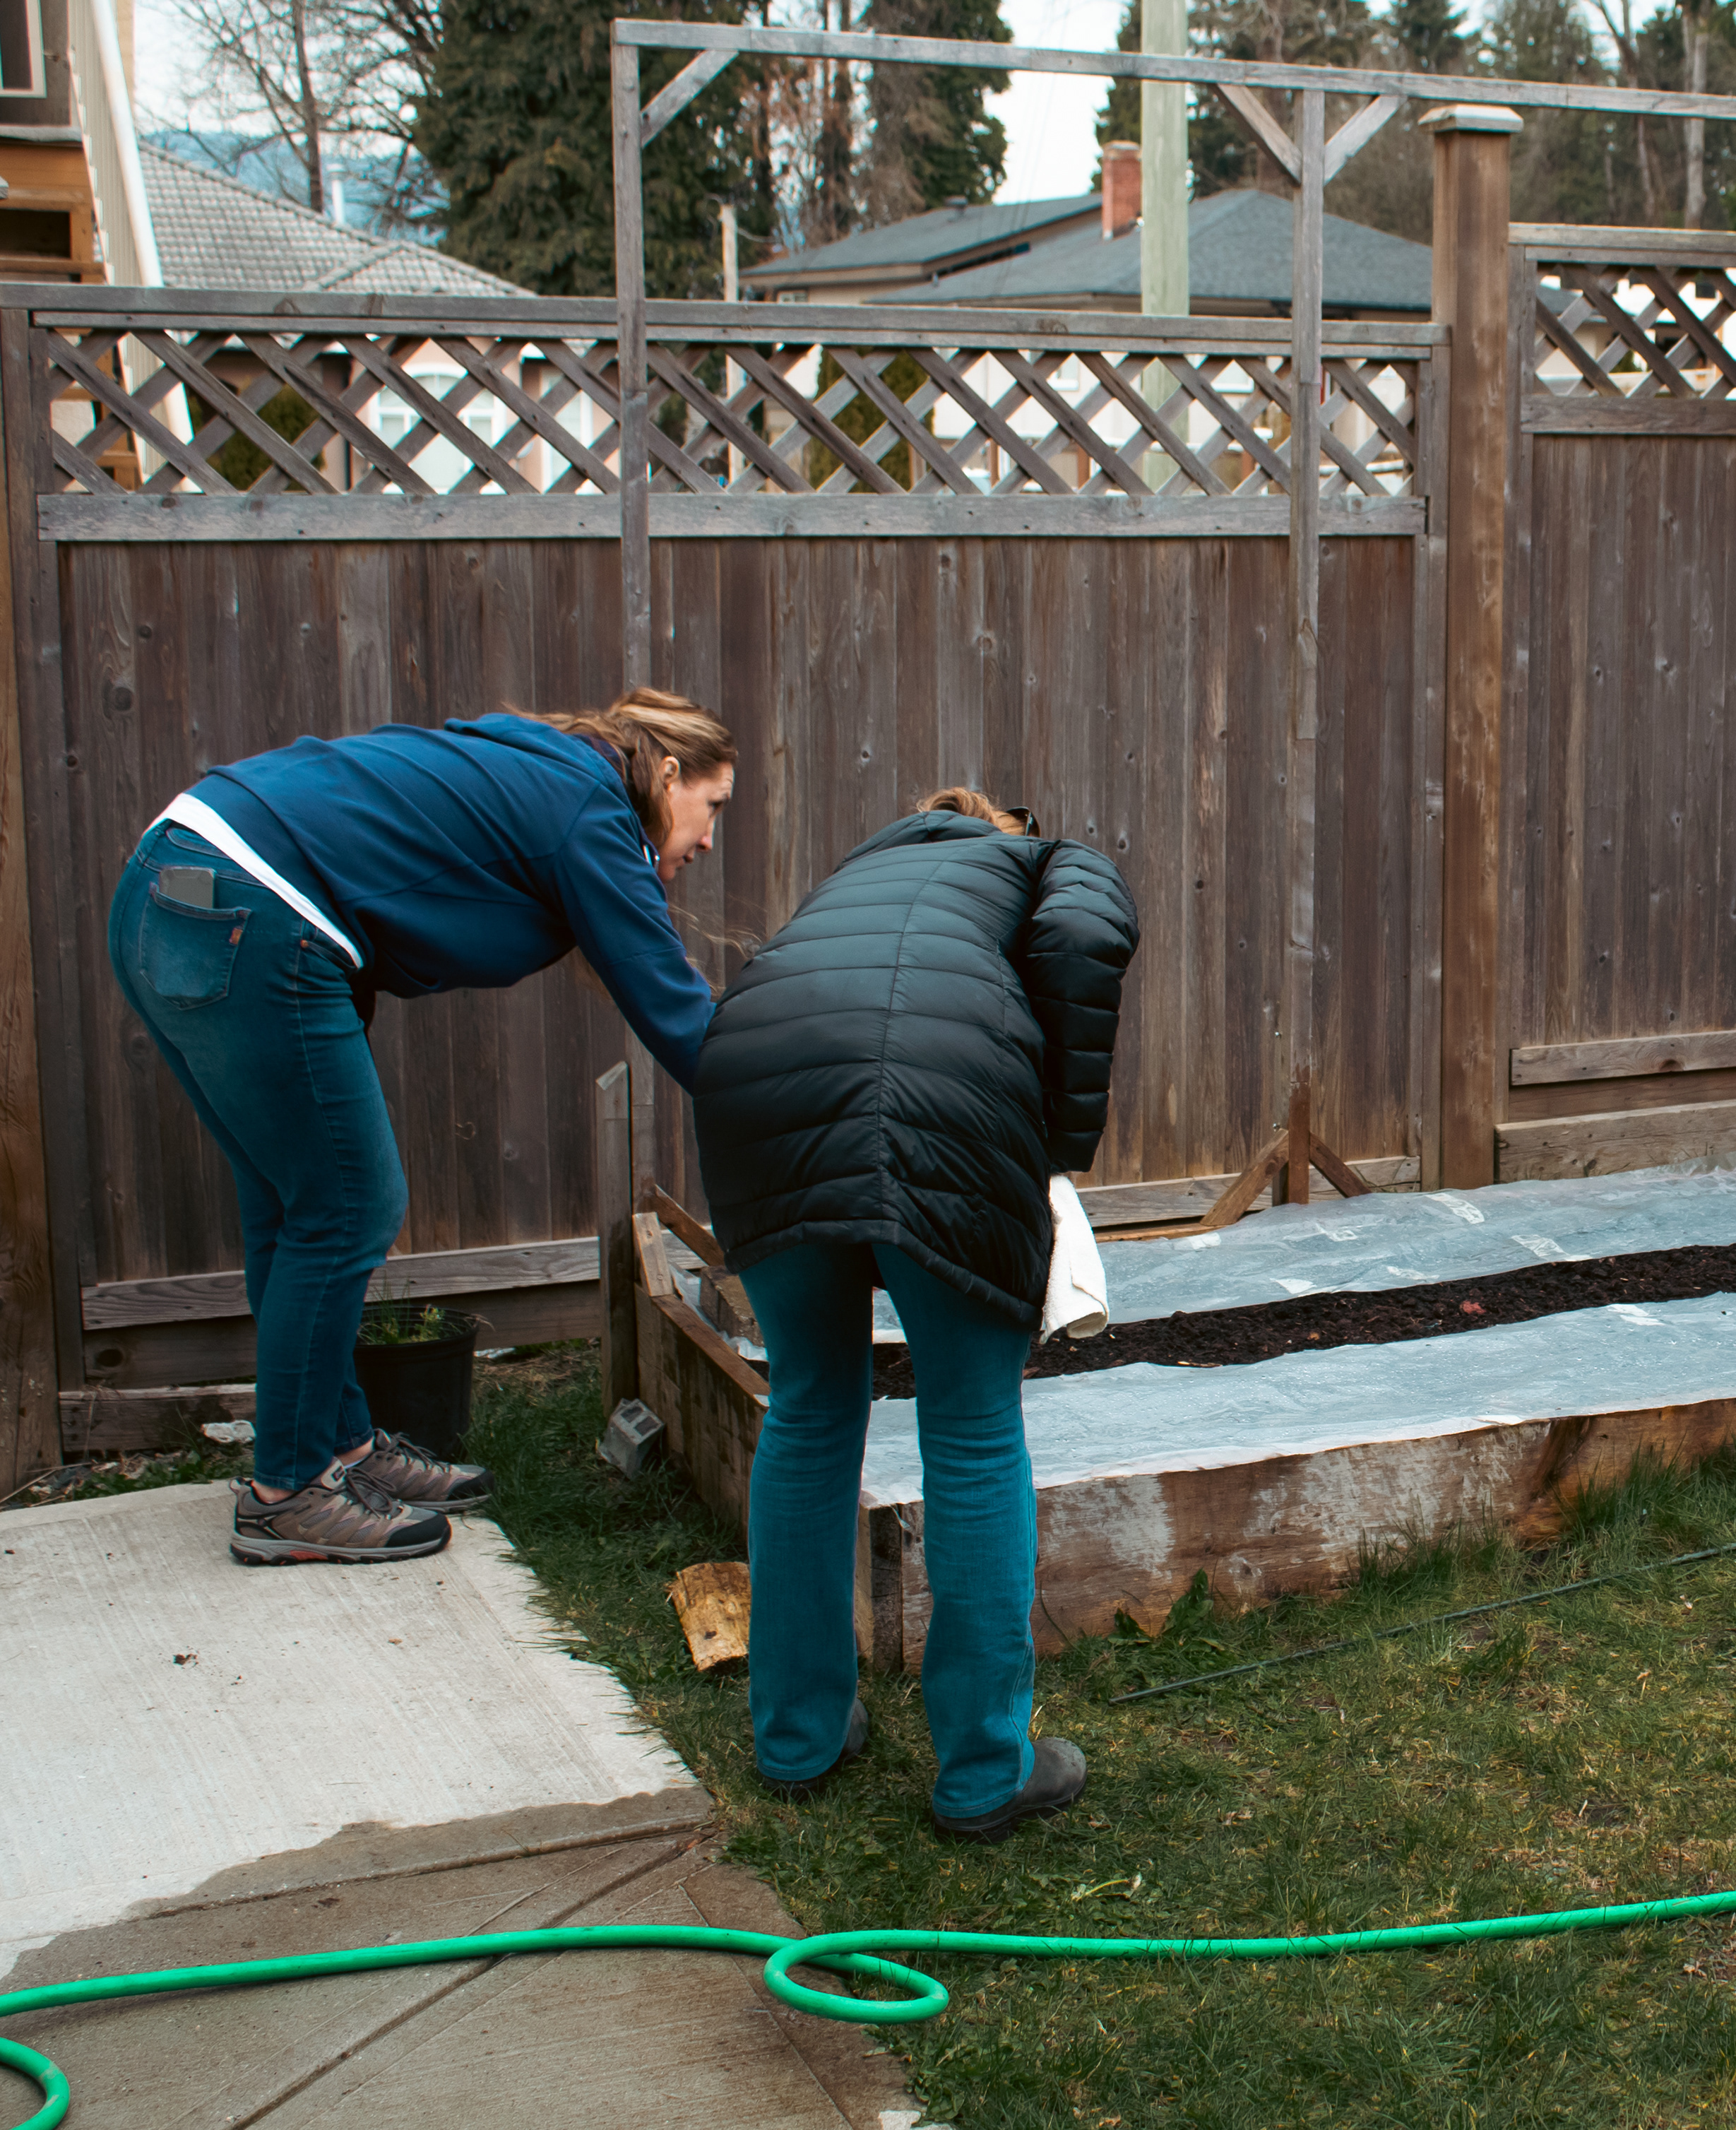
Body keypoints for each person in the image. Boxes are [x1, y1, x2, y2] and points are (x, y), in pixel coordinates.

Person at [107, 691, 735, 1566]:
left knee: (295, 1207)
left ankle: (341, 1453)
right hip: (254, 910)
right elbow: (676, 1014)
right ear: (668, 774)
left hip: (175, 887)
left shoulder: (548, 771)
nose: (708, 841)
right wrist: (795, 1096)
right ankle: (286, 1494)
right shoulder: (591, 808)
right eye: (712, 807)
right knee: (348, 1206)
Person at [691, 788, 1138, 1837]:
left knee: (805, 1405)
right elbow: (1082, 933)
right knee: (974, 1428)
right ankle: (987, 1768)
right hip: (942, 1085)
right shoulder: (1038, 859)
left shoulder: (851, 875)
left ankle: (797, 1736)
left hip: (757, 1077)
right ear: (1000, 825)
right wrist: (1056, 1149)